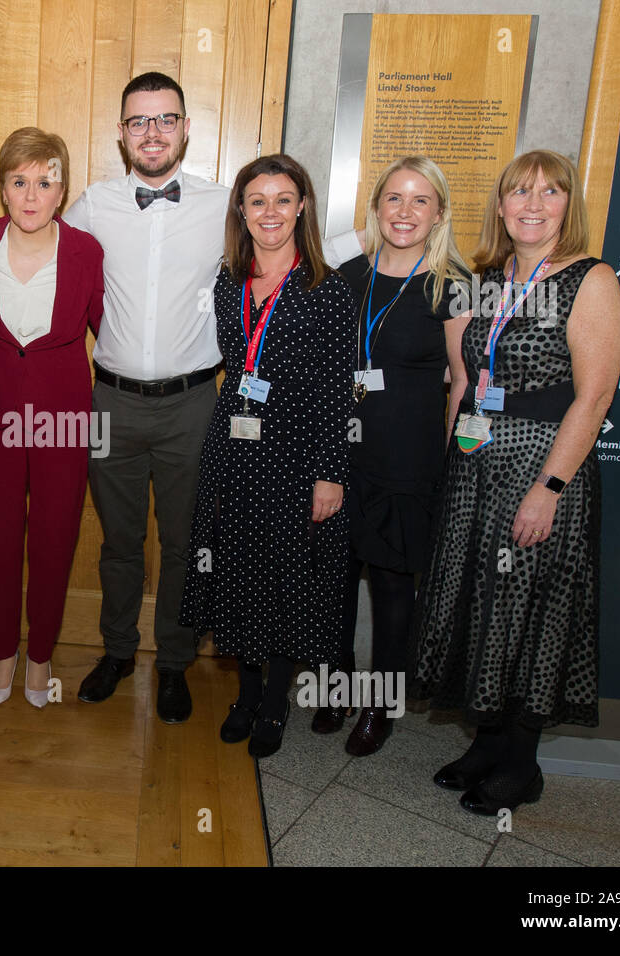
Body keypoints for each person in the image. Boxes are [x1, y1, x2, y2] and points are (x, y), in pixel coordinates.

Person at [412, 149, 620, 813]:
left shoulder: (589, 280)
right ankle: (486, 742)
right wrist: (449, 466)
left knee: (533, 610)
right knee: (480, 602)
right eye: (520, 192)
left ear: (569, 206)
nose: (533, 204)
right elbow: (463, 381)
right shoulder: (483, 278)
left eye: (550, 193)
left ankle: (521, 764)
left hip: (541, 469)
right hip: (475, 470)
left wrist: (549, 490)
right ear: (501, 206)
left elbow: (593, 398)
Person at [62, 71, 229, 724]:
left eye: (165, 119)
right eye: (139, 121)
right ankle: (117, 650)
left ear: (187, 128)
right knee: (120, 540)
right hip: (112, 405)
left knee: (186, 540)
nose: (152, 132)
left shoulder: (225, 204)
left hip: (195, 403)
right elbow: (28, 242)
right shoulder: (92, 206)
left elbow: (288, 250)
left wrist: (369, 241)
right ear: (122, 133)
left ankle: (174, 662)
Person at [178, 154, 355, 758]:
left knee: (285, 578)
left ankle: (275, 701)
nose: (270, 212)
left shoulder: (326, 289)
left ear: (303, 206)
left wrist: (331, 473)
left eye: (283, 199)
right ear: (241, 211)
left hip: (297, 452)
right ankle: (245, 694)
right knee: (238, 570)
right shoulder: (228, 281)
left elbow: (338, 388)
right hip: (235, 445)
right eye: (257, 201)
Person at [315, 157, 471, 756]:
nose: (405, 213)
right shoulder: (344, 274)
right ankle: (331, 685)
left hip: (406, 458)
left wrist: (457, 460)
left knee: (390, 587)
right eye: (394, 199)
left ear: (438, 214)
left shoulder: (452, 284)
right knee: (330, 577)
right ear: (376, 208)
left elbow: (462, 382)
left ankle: (381, 704)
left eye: (420, 201)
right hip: (337, 453)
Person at [0, 128, 104, 707]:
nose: (32, 194)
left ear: (62, 190)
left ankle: (39, 656)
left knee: (55, 536)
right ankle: (1, 653)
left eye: (45, 181)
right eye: (20, 182)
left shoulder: (87, 252)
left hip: (63, 418)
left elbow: (110, 333)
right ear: (3, 190)